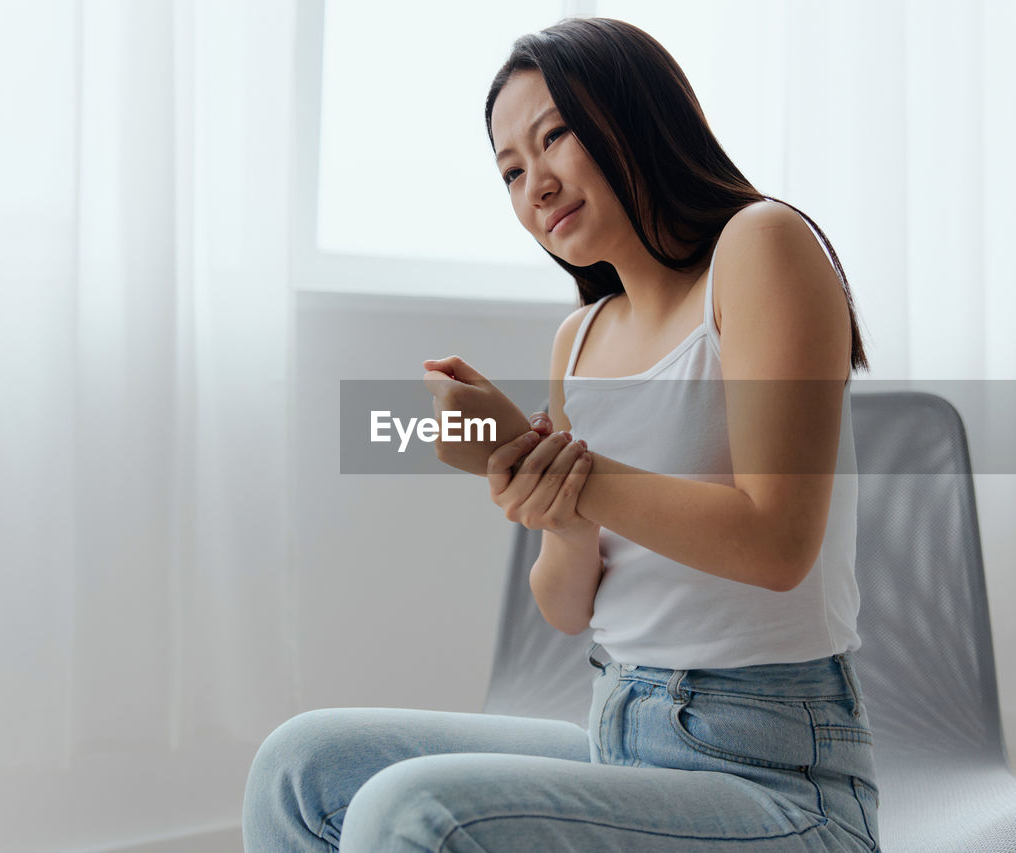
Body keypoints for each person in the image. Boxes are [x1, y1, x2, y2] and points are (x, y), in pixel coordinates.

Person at [243, 16, 877, 852]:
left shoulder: (760, 245)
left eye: (557, 136)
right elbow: (566, 603)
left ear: (640, 115)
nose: (536, 185)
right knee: (302, 764)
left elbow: (778, 541)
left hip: (778, 777)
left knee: (413, 816)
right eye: (511, 170)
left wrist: (556, 461)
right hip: (619, 728)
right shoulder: (578, 339)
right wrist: (559, 510)